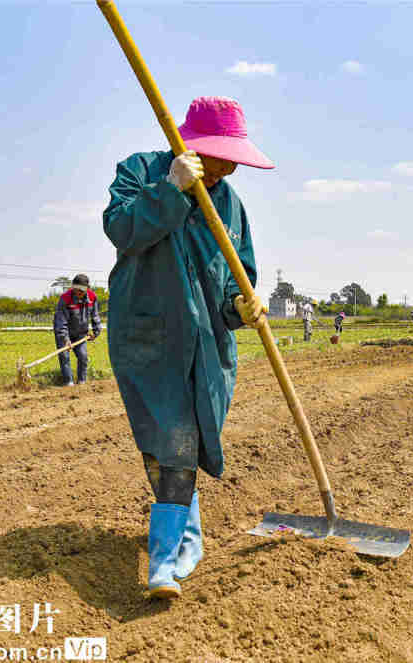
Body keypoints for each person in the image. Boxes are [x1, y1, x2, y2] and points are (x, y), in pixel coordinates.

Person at [102, 96, 272, 600]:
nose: (228, 166)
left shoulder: (230, 205)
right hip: (150, 337)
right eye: (220, 155)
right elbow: (122, 231)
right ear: (192, 144)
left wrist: (240, 310)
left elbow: (234, 285)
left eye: (234, 157)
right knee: (167, 442)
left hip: (208, 346)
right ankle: (165, 561)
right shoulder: (141, 172)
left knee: (185, 441)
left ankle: (182, 531)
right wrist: (171, 190)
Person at [52, 273, 102, 386]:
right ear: (73, 287)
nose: (78, 292)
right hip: (64, 332)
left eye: (81, 290)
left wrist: (95, 331)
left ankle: (81, 383)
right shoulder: (65, 299)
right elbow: (61, 321)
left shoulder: (92, 298)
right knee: (64, 356)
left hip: (81, 332)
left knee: (83, 356)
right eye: (76, 289)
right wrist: (65, 338)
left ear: (87, 289)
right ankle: (68, 383)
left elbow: (95, 316)